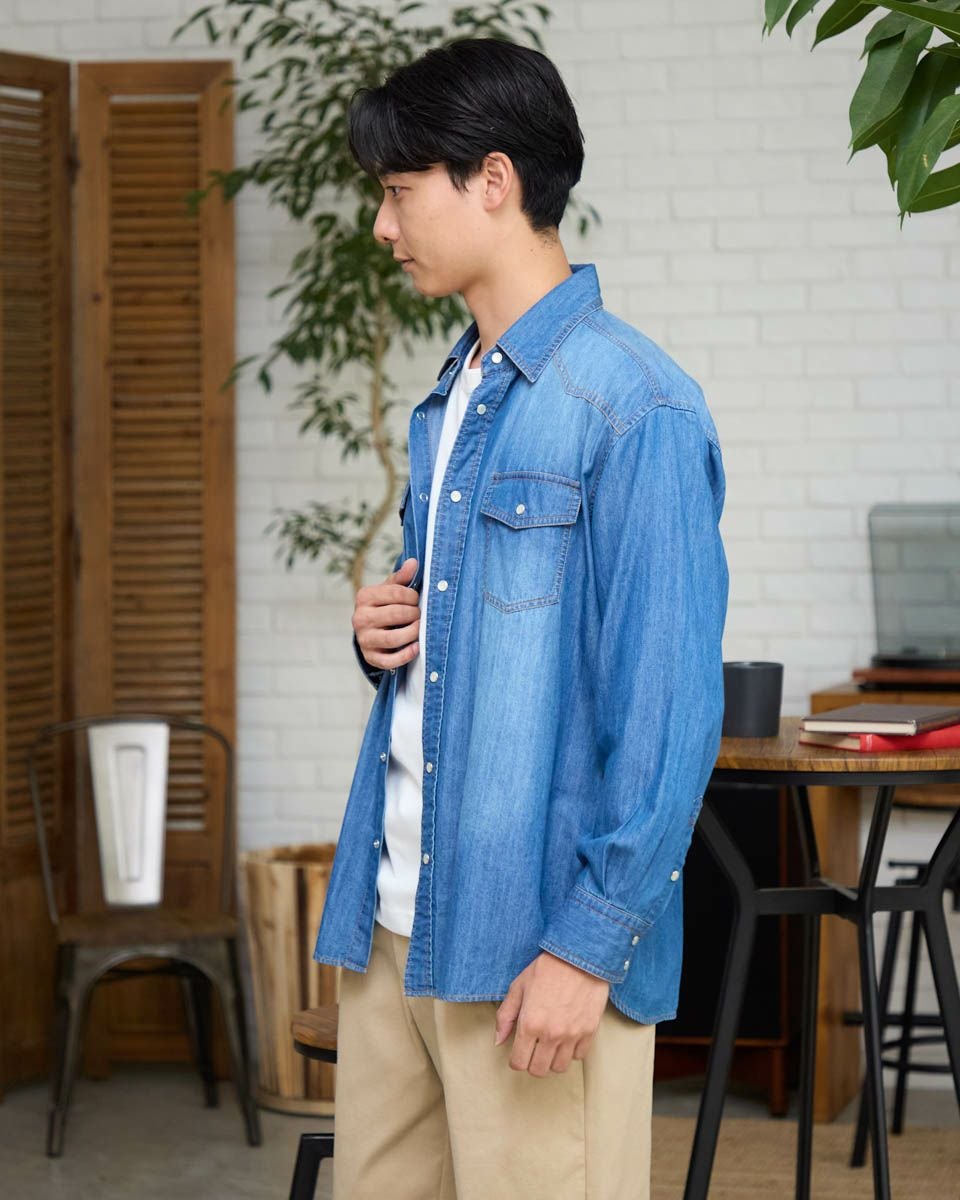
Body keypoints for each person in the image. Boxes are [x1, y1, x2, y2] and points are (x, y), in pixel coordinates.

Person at [312, 36, 729, 1200]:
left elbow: (667, 711)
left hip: (531, 954)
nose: (383, 227)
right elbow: (478, 651)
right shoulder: (451, 399)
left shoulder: (635, 406)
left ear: (492, 181)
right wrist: (383, 638)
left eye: (400, 192)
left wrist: (586, 949)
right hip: (395, 933)